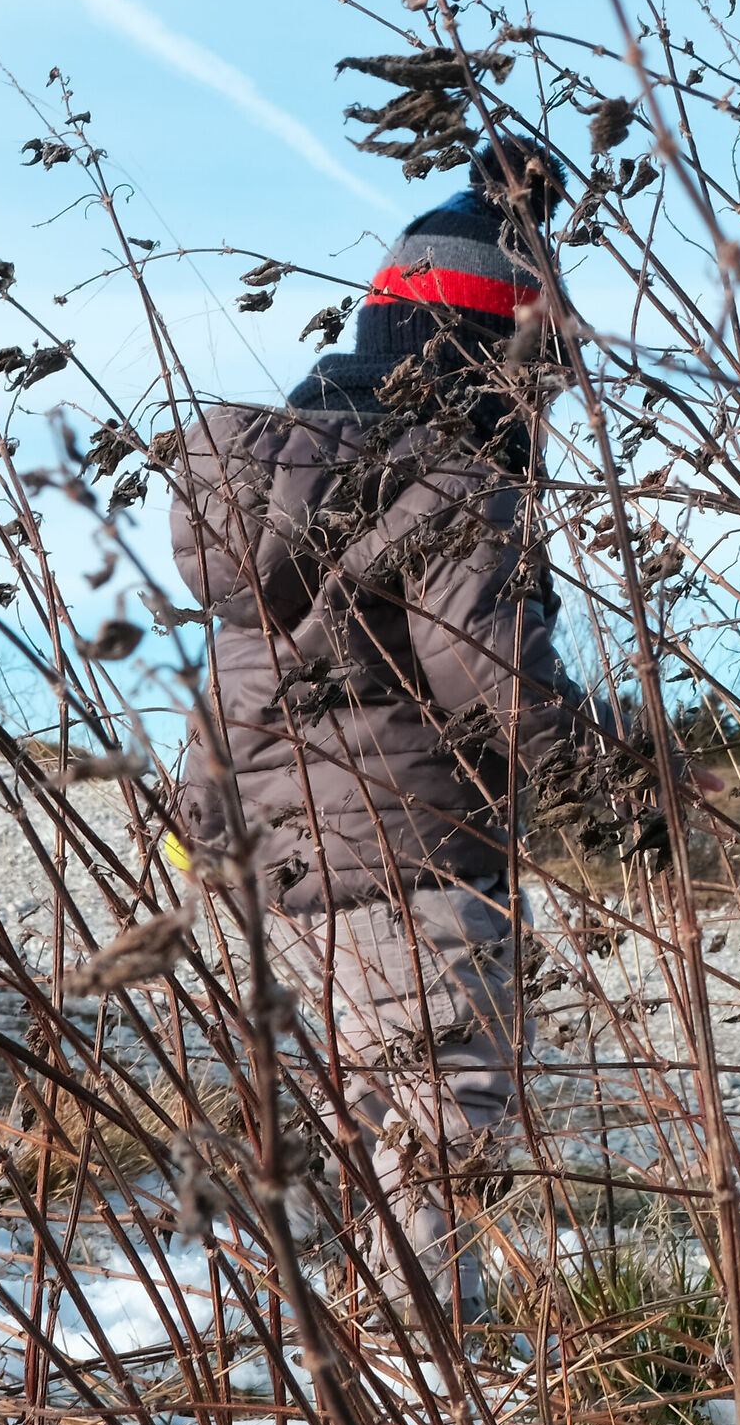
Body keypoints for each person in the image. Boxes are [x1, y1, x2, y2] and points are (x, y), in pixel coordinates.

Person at [168, 140, 618, 1339]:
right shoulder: (456, 482)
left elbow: (234, 692)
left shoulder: (268, 497)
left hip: (294, 875)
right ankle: (436, 1370)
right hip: (420, 853)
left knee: (379, 1114)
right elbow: (497, 687)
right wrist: (615, 768)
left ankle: (379, 1363)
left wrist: (200, 832)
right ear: (491, 365)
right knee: (448, 1117)